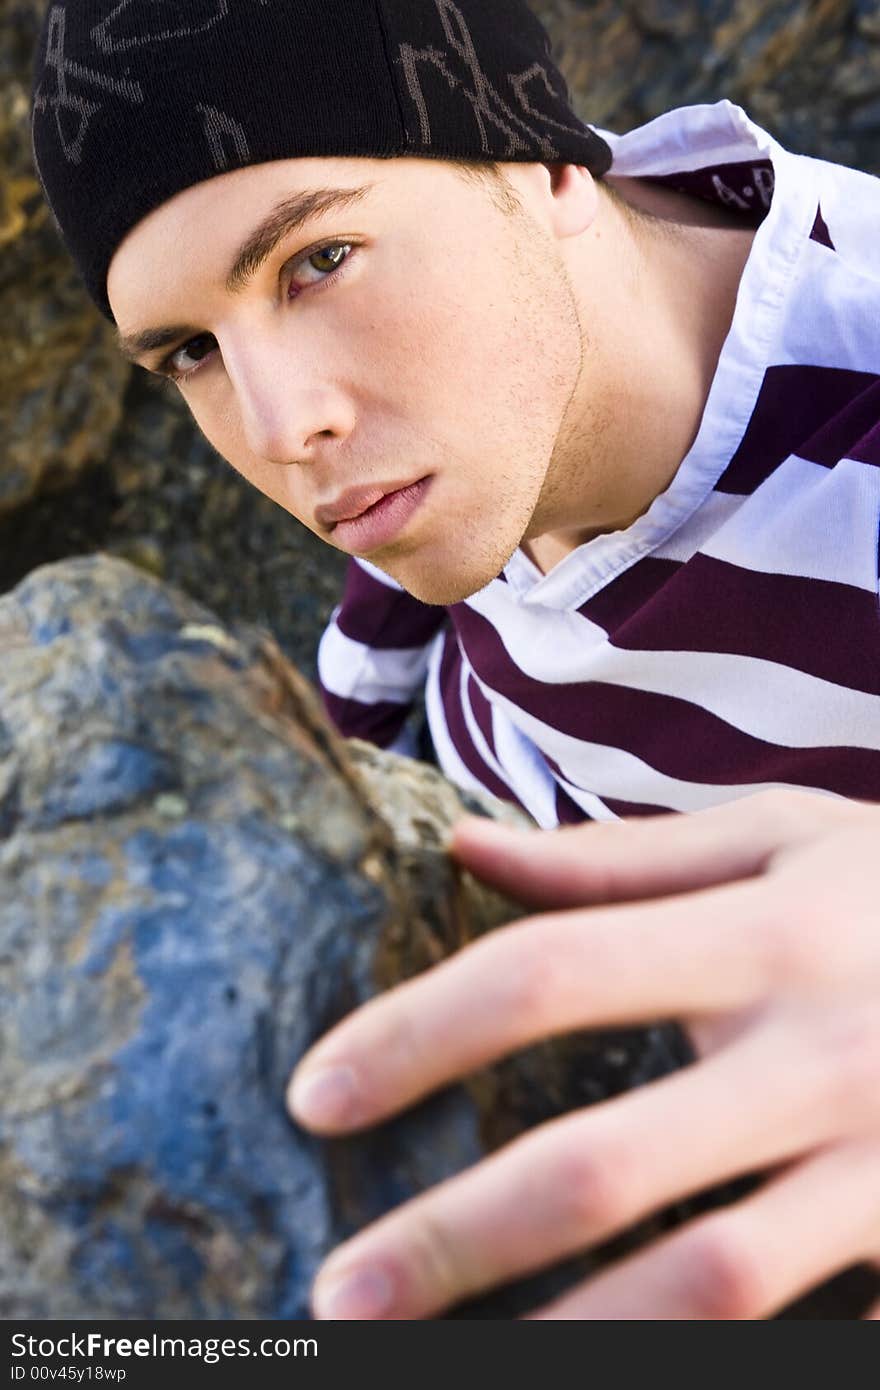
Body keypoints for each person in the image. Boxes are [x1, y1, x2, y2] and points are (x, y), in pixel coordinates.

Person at [30, 0, 880, 1319]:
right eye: (192, 351)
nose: (284, 425)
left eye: (318, 260)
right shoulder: (440, 457)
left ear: (542, 162)